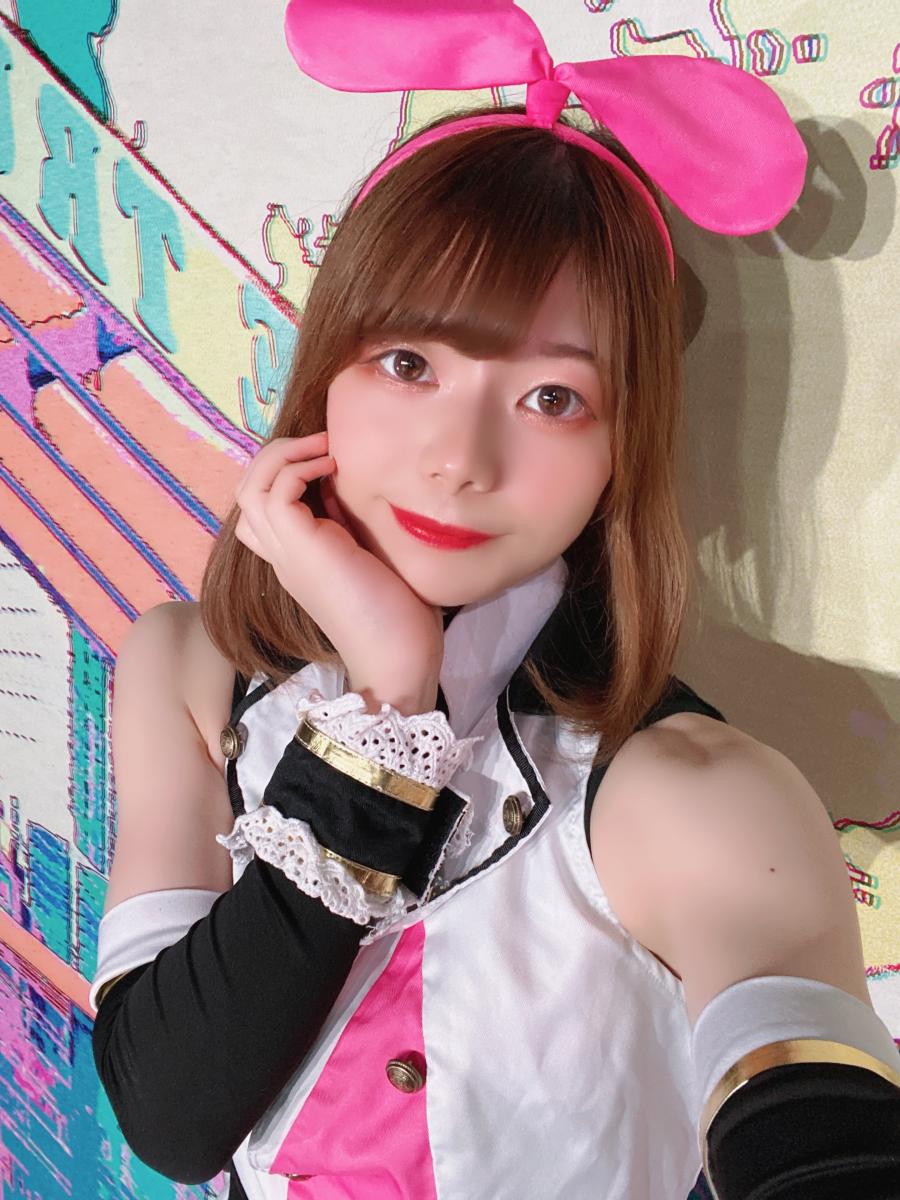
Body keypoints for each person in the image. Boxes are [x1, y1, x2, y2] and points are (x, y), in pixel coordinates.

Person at [89, 4, 900, 1198]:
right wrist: (386, 696)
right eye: (410, 363)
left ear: (623, 449)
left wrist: (391, 702)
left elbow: (823, 1141)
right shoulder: (186, 668)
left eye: (553, 400)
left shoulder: (692, 795)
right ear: (327, 372)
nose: (461, 460)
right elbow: (169, 1112)